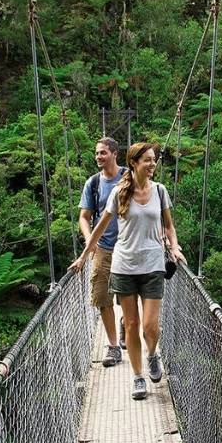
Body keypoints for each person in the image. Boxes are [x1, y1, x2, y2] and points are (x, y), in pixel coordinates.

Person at [71, 142, 186, 400]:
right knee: (132, 324)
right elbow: (99, 228)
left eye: (154, 159)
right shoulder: (119, 193)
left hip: (153, 266)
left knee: (150, 326)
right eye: (147, 160)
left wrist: (175, 247)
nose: (153, 164)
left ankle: (152, 354)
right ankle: (137, 376)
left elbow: (169, 226)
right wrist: (83, 257)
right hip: (124, 267)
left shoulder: (160, 191)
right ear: (134, 163)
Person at [78, 137, 127, 367]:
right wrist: (90, 240)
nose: (98, 157)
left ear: (114, 153)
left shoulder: (129, 177)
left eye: (103, 153)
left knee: (130, 295)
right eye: (96, 153)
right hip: (103, 248)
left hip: (129, 247)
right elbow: (84, 217)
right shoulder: (93, 183)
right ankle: (114, 347)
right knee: (102, 296)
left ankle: (126, 322)